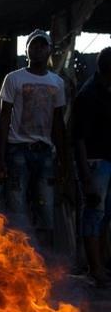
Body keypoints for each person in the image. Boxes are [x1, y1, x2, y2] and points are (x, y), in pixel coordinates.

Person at [0, 30, 69, 246]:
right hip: (17, 151)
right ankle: (18, 262)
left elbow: (58, 123)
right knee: (17, 210)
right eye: (33, 45)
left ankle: (45, 264)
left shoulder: (57, 82)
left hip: (45, 152)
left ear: (49, 50)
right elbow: (3, 118)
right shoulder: (14, 78)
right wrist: (0, 158)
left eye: (42, 45)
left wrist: (63, 160)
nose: (38, 49)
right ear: (26, 49)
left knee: (45, 209)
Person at [71, 47, 111, 286]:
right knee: (94, 214)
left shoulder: (108, 91)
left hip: (108, 162)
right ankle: (94, 268)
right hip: (95, 164)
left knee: (105, 216)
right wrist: (85, 175)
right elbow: (78, 139)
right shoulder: (88, 95)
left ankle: (102, 265)